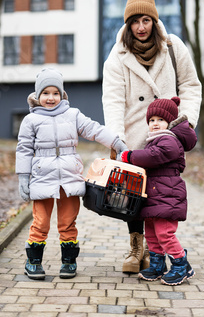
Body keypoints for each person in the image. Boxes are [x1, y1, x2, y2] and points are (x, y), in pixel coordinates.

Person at [102, 0, 202, 274]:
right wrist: (116, 138)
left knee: (160, 194)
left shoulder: (173, 47)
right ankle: (138, 247)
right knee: (132, 197)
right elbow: (112, 99)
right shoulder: (117, 56)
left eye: (146, 20)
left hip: (166, 137)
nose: (141, 27)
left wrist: (185, 123)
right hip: (134, 137)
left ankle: (162, 248)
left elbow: (192, 86)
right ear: (128, 23)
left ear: (154, 21)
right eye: (135, 21)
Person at [16, 68, 128, 280]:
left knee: (68, 222)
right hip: (42, 178)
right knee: (40, 222)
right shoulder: (30, 121)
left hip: (69, 177)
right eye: (46, 93)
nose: (51, 98)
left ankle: (68, 262)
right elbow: (23, 149)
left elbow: (93, 129)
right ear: (38, 95)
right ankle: (33, 262)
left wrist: (115, 142)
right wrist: (23, 176)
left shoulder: (72, 115)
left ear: (62, 94)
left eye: (56, 93)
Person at [119, 97, 197, 285]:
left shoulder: (169, 140)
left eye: (160, 120)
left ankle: (181, 265)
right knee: (152, 234)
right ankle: (157, 265)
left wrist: (129, 156)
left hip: (167, 195)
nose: (155, 124)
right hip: (155, 195)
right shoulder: (155, 140)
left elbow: (154, 156)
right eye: (151, 120)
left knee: (165, 234)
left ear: (170, 123)